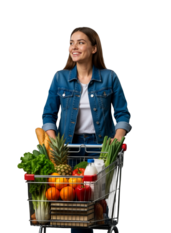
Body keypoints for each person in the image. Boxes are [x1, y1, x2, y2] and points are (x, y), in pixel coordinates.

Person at [40, 26, 133, 233]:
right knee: (76, 209)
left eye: (80, 42)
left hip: (100, 149)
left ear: (93, 48)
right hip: (68, 149)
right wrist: (53, 143)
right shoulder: (59, 78)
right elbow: (48, 115)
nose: (74, 46)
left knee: (101, 206)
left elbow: (122, 114)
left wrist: (117, 140)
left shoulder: (110, 77)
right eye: (71, 42)